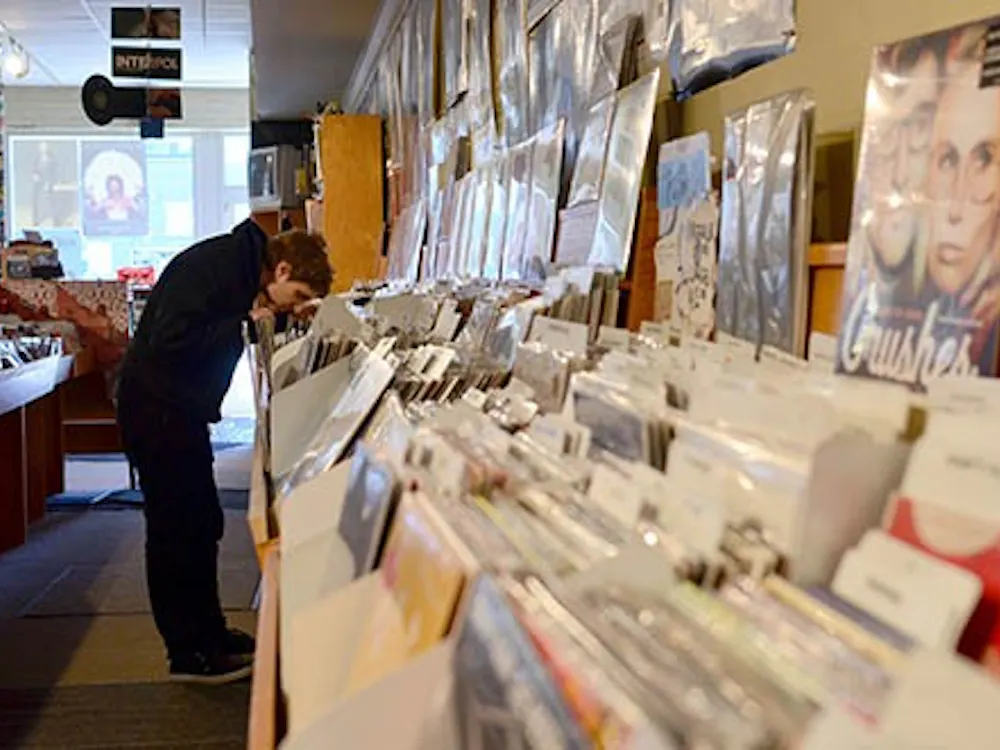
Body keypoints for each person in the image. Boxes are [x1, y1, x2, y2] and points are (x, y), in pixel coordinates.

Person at [116, 220, 332, 683]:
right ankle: (188, 651)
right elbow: (171, 340)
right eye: (294, 298)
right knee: (177, 530)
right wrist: (243, 326)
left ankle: (209, 633)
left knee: (201, 522)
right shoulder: (218, 267)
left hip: (176, 409)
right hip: (157, 410)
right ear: (281, 269)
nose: (291, 311)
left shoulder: (235, 267)